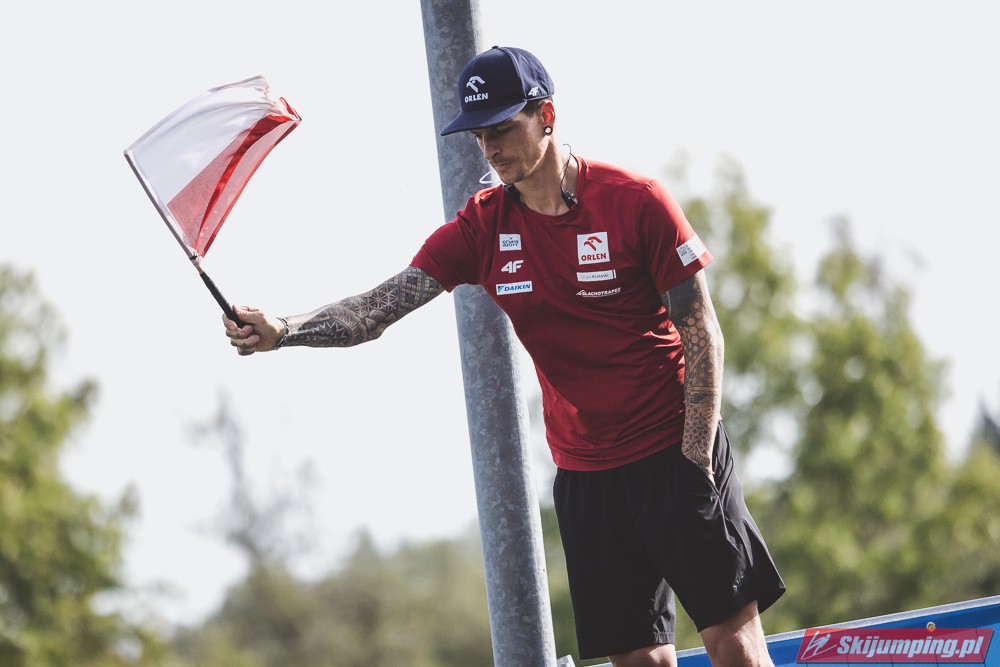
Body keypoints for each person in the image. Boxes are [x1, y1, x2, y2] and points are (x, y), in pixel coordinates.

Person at [223, 46, 785, 667]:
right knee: (639, 661)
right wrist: (283, 329)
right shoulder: (482, 227)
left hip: (673, 449)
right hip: (586, 473)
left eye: (502, 128)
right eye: (478, 135)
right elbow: (374, 311)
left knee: (733, 646)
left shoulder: (636, 200)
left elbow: (700, 329)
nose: (489, 148)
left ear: (547, 116)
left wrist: (695, 457)